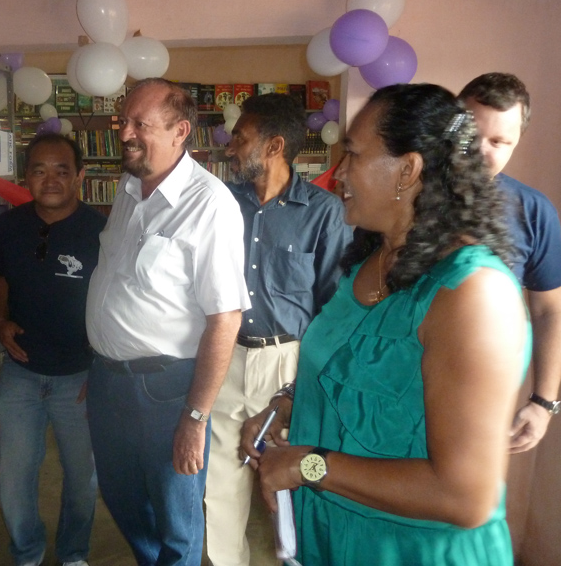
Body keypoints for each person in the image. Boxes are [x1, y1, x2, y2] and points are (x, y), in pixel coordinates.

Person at [240, 84, 531, 565]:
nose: (338, 176)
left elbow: (465, 497)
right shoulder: (371, 261)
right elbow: (359, 367)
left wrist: (307, 465)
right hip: (335, 535)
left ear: (408, 169)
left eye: (352, 155)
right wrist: (289, 403)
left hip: (413, 550)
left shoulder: (472, 294)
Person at [85, 78, 250, 566]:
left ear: (181, 131)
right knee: (122, 500)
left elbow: (226, 318)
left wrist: (195, 418)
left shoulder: (210, 205)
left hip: (166, 391)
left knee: (176, 520)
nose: (126, 133)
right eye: (123, 122)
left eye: (140, 124)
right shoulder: (129, 186)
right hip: (108, 382)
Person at [204, 93, 351, 566]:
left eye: (240, 138)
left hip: (288, 367)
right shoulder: (223, 204)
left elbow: (333, 308)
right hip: (225, 359)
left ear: (274, 145)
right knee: (217, 490)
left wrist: (302, 385)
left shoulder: (324, 213)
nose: (230, 148)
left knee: (286, 487)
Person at [0, 133, 105, 566]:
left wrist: (102, 367)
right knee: (15, 478)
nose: (51, 179)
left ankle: (73, 554)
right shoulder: (9, 224)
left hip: (80, 377)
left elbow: (115, 302)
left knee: (82, 478)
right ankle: (27, 553)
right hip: (20, 373)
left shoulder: (101, 231)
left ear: (80, 176)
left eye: (62, 170)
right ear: (27, 177)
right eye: (39, 170)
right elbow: (0, 276)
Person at [459, 73, 561, 452]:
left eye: (499, 141)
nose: (481, 150)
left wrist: (543, 403)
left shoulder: (533, 212)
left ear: (516, 143)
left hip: (481, 406)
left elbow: (549, 310)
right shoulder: (406, 195)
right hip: (389, 393)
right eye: (472, 134)